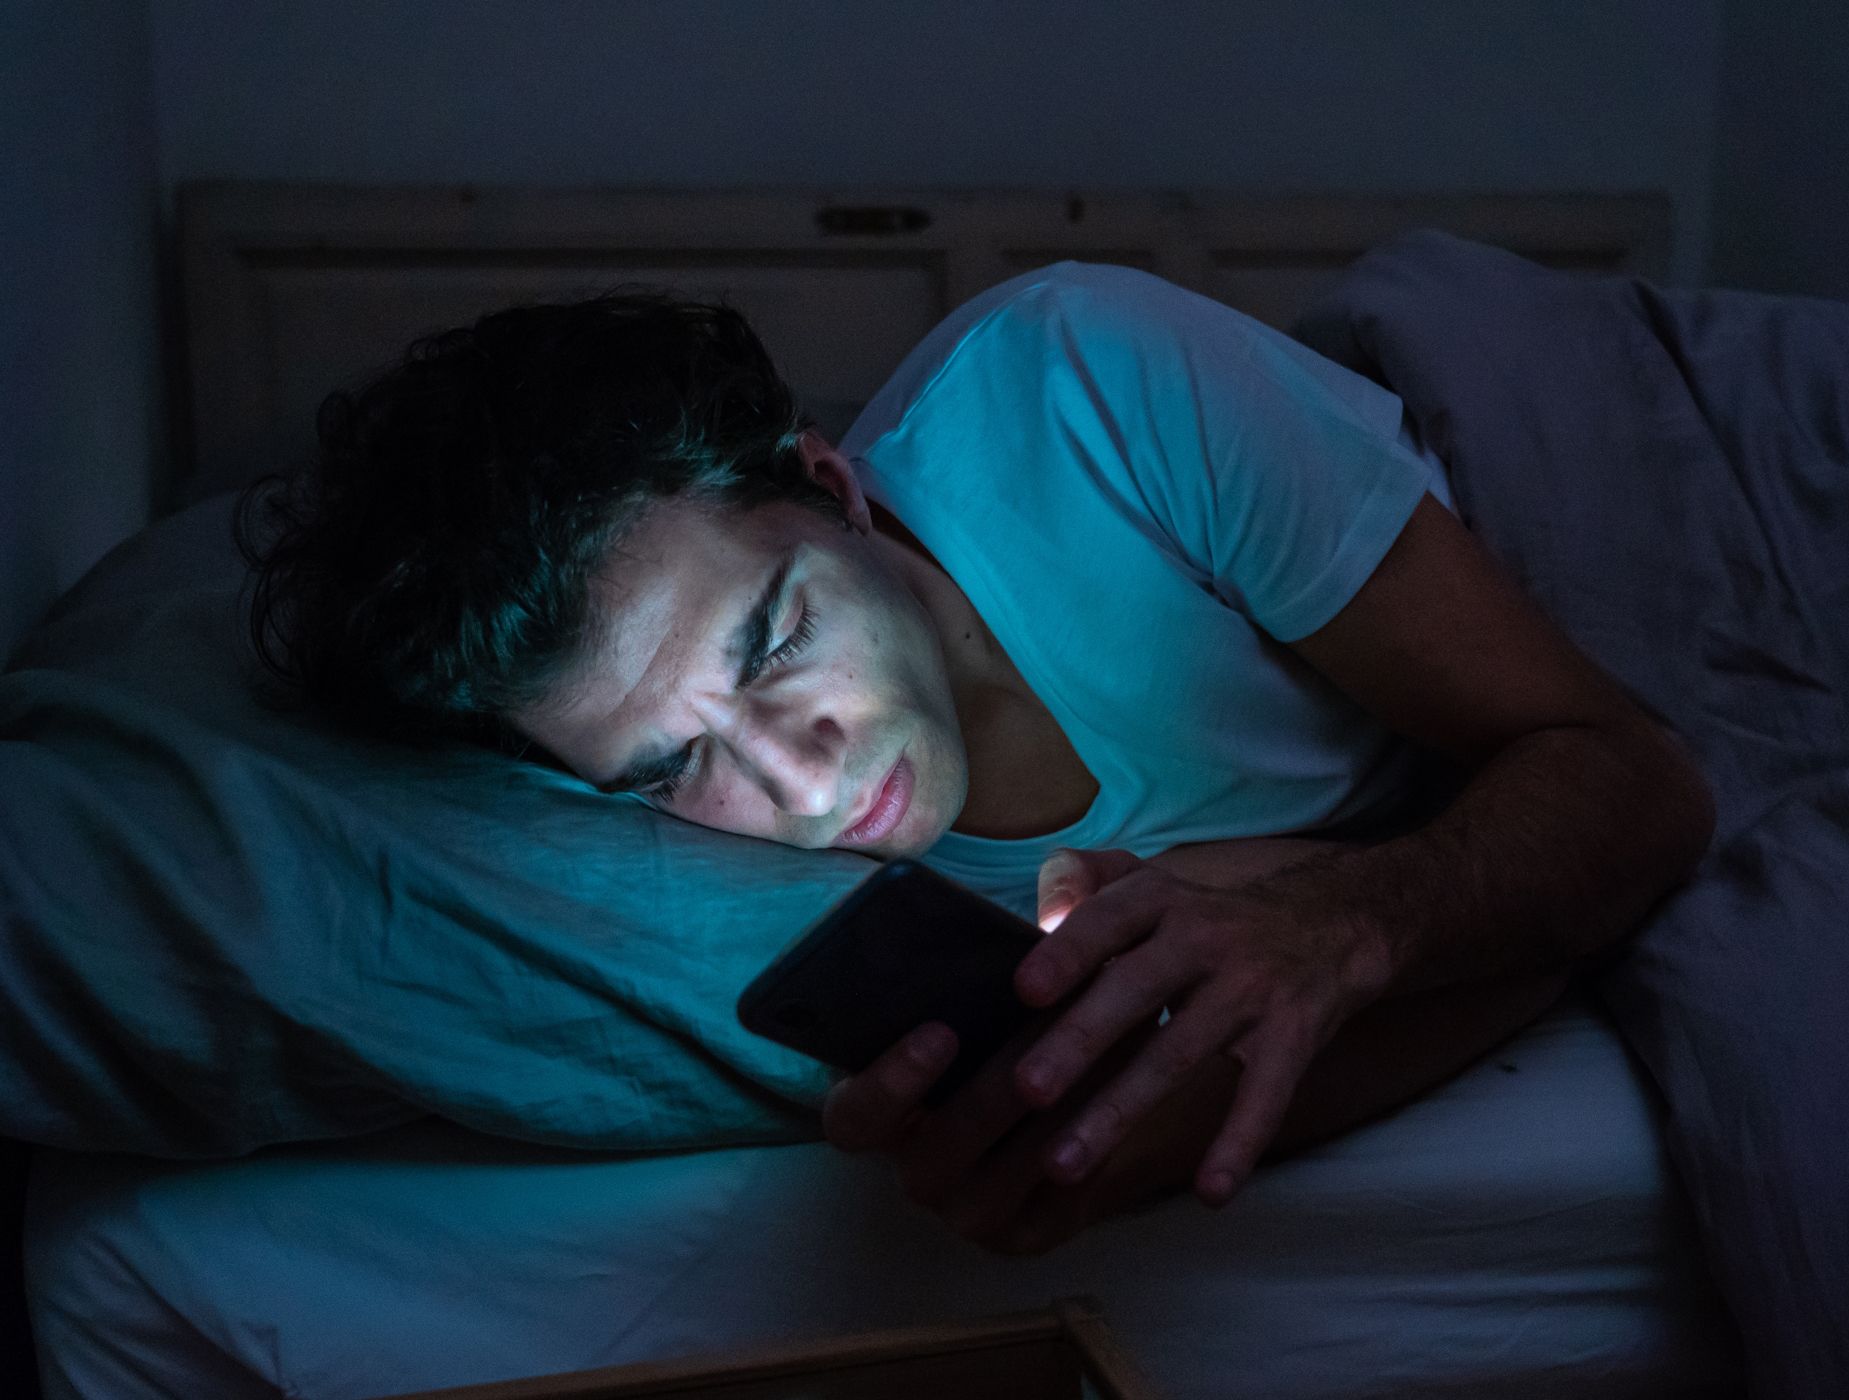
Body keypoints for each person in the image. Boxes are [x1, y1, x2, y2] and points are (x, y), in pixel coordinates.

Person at [241, 264, 1715, 1256]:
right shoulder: (853, 930)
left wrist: (1348, 920)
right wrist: (1104, 1141)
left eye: (770, 642)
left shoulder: (1085, 389)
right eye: (667, 768)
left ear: (833, 488)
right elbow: (1531, 929)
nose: (802, 790)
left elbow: (1633, 777)